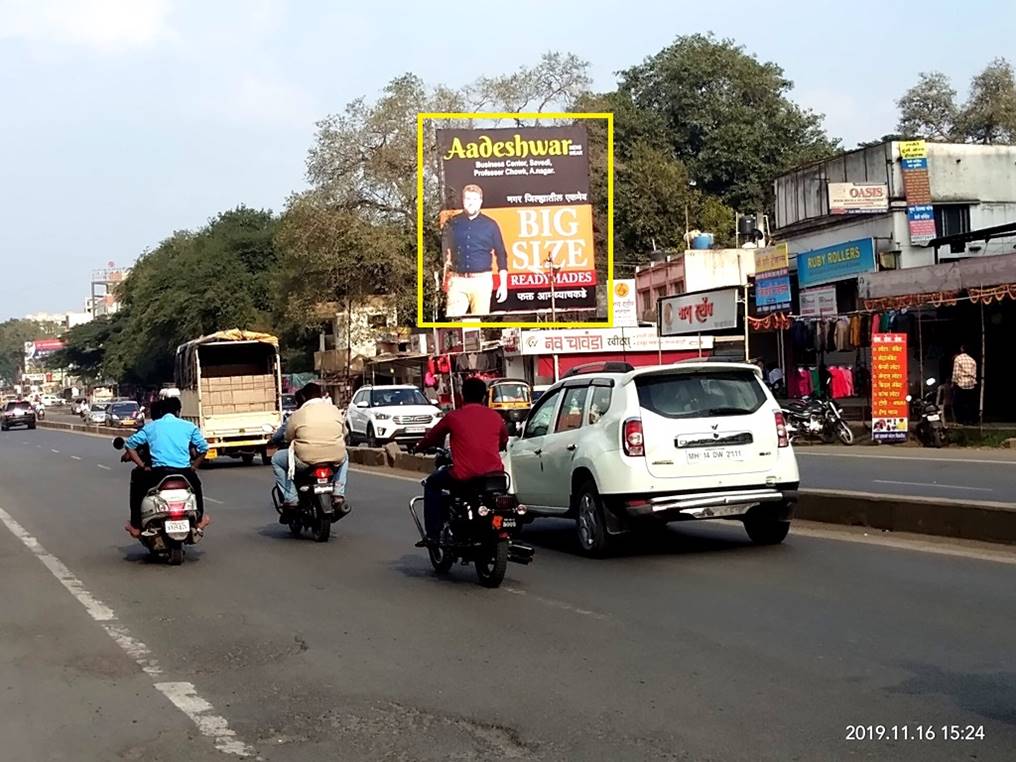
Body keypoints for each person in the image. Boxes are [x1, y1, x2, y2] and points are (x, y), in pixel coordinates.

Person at [414, 377, 509, 546]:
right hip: (495, 477)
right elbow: (503, 441)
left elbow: (432, 436)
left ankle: (433, 534)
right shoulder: (496, 417)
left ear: (462, 395)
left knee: (432, 484)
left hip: (464, 475)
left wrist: (419, 447)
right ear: (484, 396)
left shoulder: (454, 417)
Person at [124, 396, 209, 538]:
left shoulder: (151, 427)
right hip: (184, 473)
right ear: (178, 411)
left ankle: (136, 526)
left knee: (138, 489)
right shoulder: (189, 426)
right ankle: (199, 521)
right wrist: (194, 466)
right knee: (197, 489)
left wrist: (143, 465)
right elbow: (203, 448)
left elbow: (130, 445)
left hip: (158, 473)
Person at [270, 382, 349, 513]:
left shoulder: (298, 414)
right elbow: (344, 432)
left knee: (276, 460)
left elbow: (288, 437)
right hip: (335, 457)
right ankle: (339, 492)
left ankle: (291, 498)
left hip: (306, 460)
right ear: (321, 395)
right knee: (345, 455)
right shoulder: (334, 410)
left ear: (304, 397)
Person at [442, 184, 509, 317]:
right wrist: (444, 279)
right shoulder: (452, 223)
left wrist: (503, 284)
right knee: (454, 324)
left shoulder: (490, 225)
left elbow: (501, 254)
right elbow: (444, 253)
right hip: (458, 281)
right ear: (463, 200)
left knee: (477, 325)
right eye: (467, 199)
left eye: (474, 199)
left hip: (481, 282)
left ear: (480, 202)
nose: (470, 203)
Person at [951, 345, 978, 425]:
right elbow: (974, 373)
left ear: (961, 349)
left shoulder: (958, 359)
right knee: (970, 404)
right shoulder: (972, 360)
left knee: (958, 404)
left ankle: (961, 420)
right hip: (971, 384)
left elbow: (956, 372)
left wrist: (953, 382)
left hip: (961, 383)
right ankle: (971, 420)